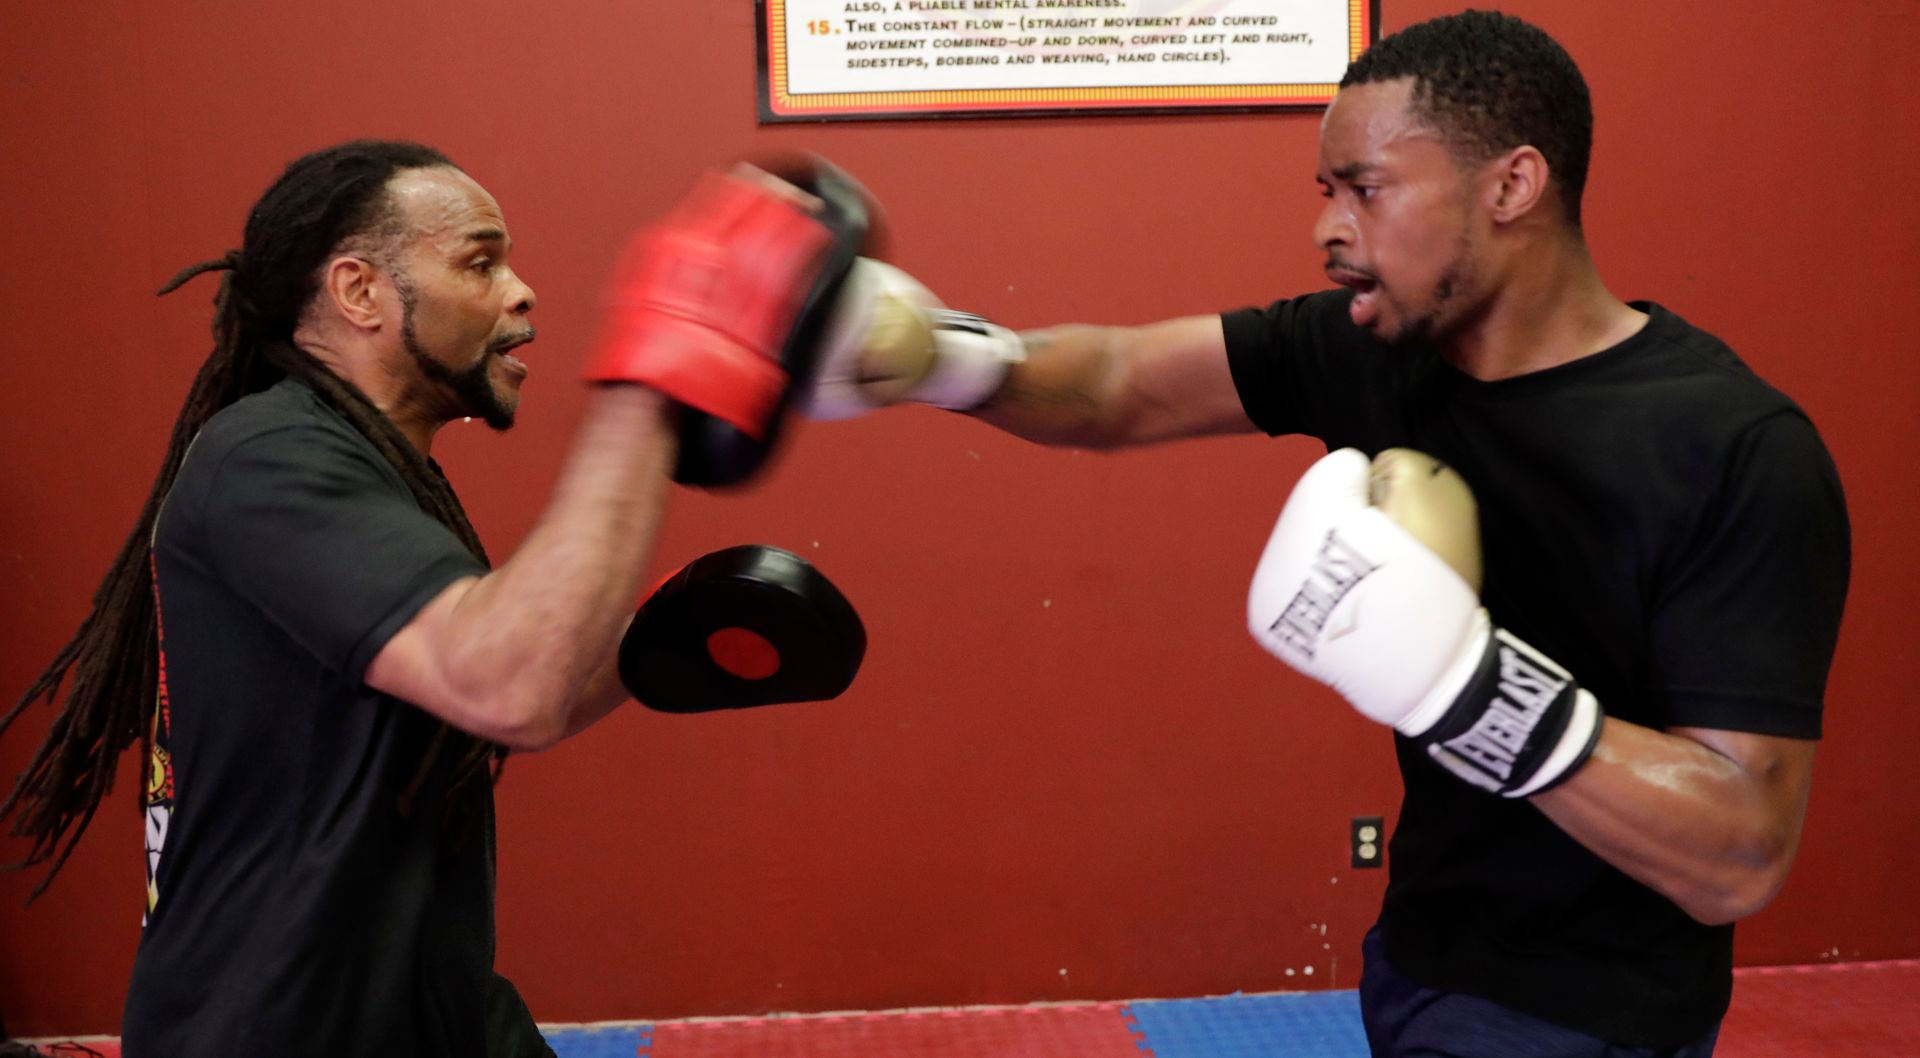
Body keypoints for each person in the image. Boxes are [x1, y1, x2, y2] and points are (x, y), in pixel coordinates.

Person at [803, 10, 1849, 1057]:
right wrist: (944, 357)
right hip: (1417, 961)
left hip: (1601, 1012)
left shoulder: (1733, 446)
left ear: (1511, 186)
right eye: (1327, 193)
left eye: (1366, 188)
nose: (1329, 228)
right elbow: (1120, 386)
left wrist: (1465, 688)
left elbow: (1740, 851)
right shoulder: (1376, 349)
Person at [0, 140, 847, 1056]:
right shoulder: (267, 460)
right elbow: (507, 684)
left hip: (431, 1008)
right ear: (360, 292)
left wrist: (659, 645)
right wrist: (661, 369)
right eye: (480, 262)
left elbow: (504, 688)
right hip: (277, 1031)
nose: (522, 293)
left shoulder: (380, 477)